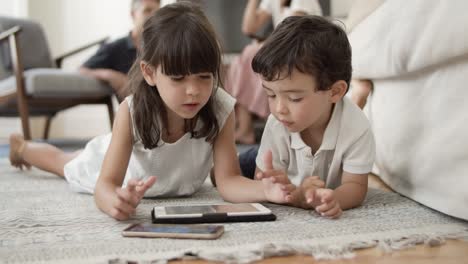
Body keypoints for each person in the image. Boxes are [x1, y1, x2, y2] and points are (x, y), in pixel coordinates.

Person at [8, 2, 292, 221]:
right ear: (150, 73)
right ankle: (22, 148)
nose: (193, 90)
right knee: (65, 162)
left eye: (204, 76)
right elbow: (105, 185)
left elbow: (227, 181)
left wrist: (264, 191)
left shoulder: (221, 107)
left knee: (67, 159)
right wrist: (114, 201)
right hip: (108, 162)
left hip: (168, 179)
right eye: (179, 78)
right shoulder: (130, 112)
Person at [245, 15, 376, 218]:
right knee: (233, 172)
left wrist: (331, 198)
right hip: (270, 160)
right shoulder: (277, 123)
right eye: (270, 94)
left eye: (295, 98)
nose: (279, 108)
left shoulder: (357, 127)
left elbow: (356, 186)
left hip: (301, 173)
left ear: (335, 92)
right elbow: (262, 184)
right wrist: (285, 189)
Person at [225, 0, 322, 144]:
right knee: (243, 60)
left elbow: (294, 32)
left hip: (305, 52)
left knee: (251, 54)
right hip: (284, 50)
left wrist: (264, 45)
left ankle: (246, 129)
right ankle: (246, 129)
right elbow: (249, 28)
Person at [79, 0, 160, 101]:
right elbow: (81, 70)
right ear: (133, 14)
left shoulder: (163, 46)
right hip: (135, 109)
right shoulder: (115, 48)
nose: (153, 16)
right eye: (147, 10)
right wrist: (110, 75)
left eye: (157, 12)